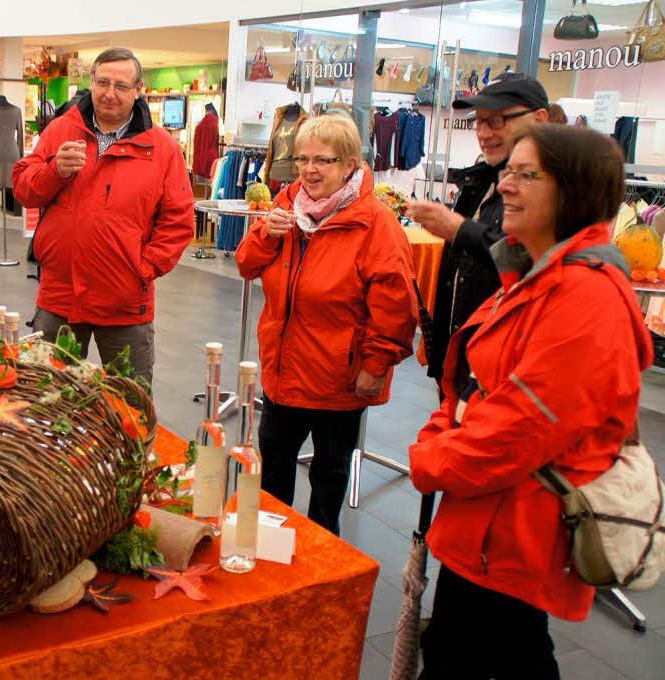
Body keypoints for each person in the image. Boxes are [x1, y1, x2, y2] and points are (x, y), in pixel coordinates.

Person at [409, 125, 653, 678]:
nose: (507, 186)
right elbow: (477, 384)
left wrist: (431, 459)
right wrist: (443, 429)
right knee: (486, 650)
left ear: (572, 190)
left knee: (480, 653)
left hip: (516, 529)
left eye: (525, 174)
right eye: (508, 172)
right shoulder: (535, 276)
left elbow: (521, 428)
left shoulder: (585, 296)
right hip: (491, 521)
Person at [235, 114, 418, 534]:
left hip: (339, 382)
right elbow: (246, 263)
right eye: (302, 159)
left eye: (323, 160)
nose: (309, 170)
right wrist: (267, 234)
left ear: (350, 163)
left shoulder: (375, 222)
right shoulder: (286, 205)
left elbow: (395, 305)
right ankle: (267, 561)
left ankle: (323, 571)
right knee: (273, 478)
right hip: (283, 374)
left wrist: (376, 366)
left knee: (328, 483)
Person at [13, 47, 193, 386]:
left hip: (124, 302)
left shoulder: (163, 149)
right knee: (46, 401)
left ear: (139, 89)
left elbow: (178, 221)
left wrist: (142, 269)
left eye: (121, 85)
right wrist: (54, 171)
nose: (110, 93)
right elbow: (23, 188)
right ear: (91, 83)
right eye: (103, 82)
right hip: (60, 296)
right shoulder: (59, 132)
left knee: (129, 407)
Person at [407, 73, 549, 384]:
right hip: (465, 360)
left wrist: (460, 230)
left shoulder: (555, 189)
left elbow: (534, 262)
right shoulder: (483, 181)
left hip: (506, 367)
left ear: (539, 119)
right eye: (479, 122)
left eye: (497, 121)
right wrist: (442, 356)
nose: (483, 133)